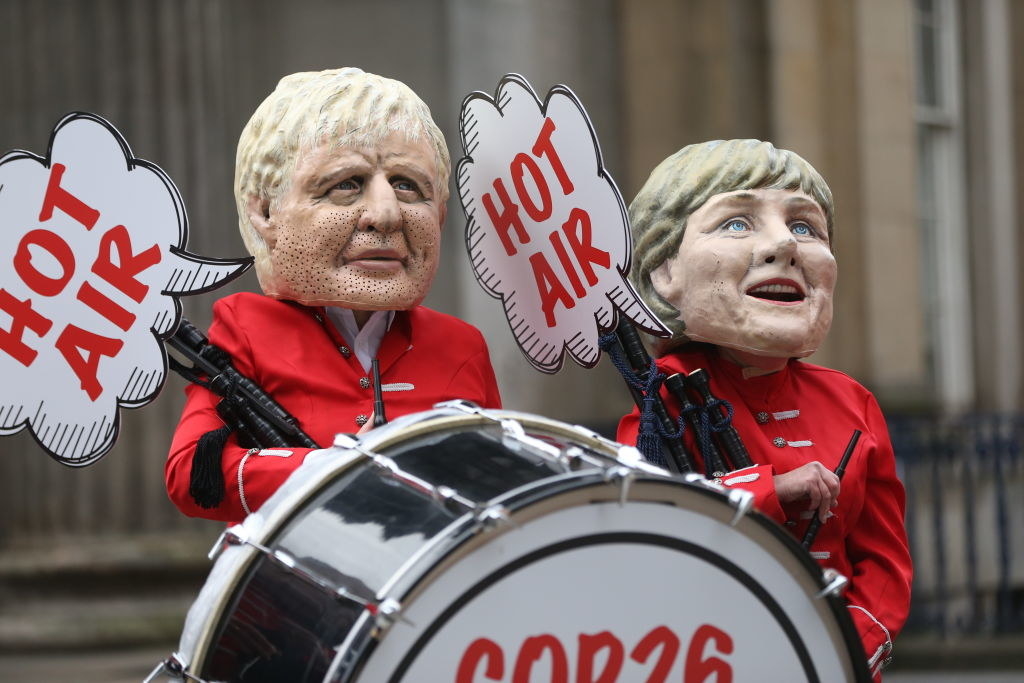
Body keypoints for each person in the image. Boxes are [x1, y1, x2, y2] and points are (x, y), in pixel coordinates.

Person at [617, 139, 911, 679]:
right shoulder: (663, 399)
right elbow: (651, 526)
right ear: (664, 272)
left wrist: (854, 640)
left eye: (805, 227)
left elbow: (885, 562)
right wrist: (772, 491)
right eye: (736, 223)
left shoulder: (852, 401)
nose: (784, 246)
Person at [166, 68, 501, 524]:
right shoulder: (246, 329)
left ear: (440, 213)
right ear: (266, 211)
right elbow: (192, 475)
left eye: (407, 185)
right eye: (346, 185)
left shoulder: (460, 346)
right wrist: (330, 470)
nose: (385, 215)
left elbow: (504, 483)